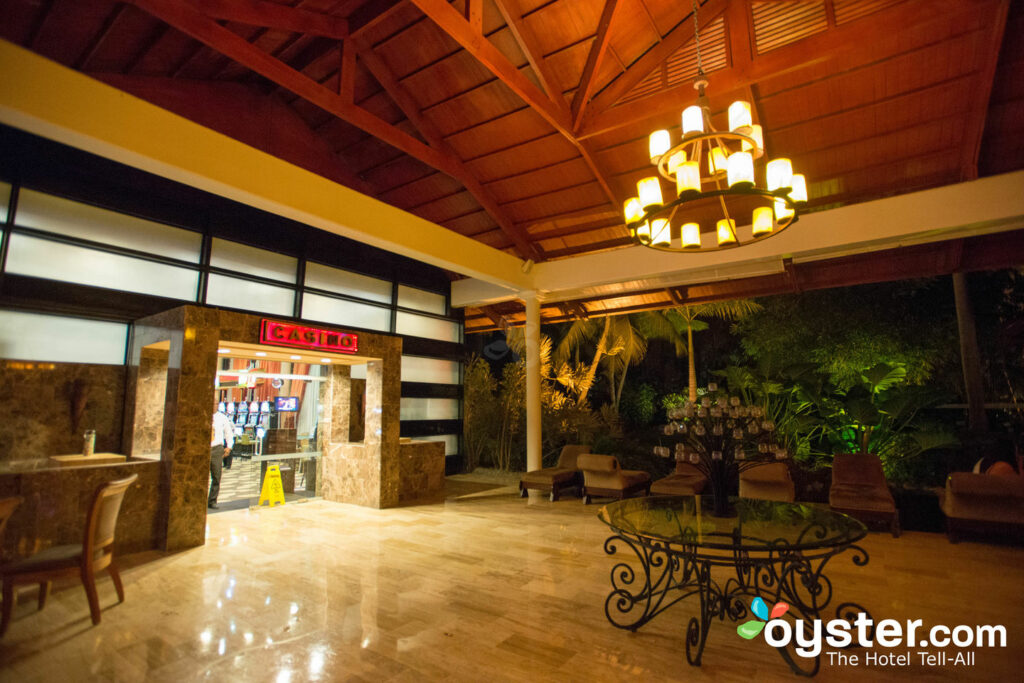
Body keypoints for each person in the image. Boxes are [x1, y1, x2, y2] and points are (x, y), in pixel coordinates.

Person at [209, 406, 235, 509]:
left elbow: (228, 433)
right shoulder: (202, 414)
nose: (213, 405)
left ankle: (212, 500)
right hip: (202, 448)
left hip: (216, 448)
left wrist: (229, 447)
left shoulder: (222, 418)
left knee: (216, 475)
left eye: (214, 403)